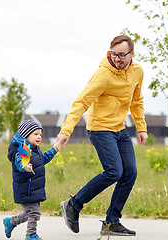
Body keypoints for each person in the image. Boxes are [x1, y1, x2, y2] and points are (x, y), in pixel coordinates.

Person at [57, 35, 148, 236]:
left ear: (132, 54)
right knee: (114, 171)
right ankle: (73, 204)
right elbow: (82, 101)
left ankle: (111, 222)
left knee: (130, 172)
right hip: (99, 128)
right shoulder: (103, 74)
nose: (116, 59)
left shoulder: (137, 71)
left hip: (119, 129)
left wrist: (141, 127)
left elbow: (137, 100)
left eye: (121, 55)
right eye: (113, 54)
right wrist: (66, 130)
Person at [3, 119, 59, 240]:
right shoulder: (22, 150)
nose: (39, 137)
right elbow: (19, 163)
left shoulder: (35, 149)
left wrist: (54, 149)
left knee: (29, 213)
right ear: (26, 135)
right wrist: (25, 167)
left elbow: (42, 160)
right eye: (35, 134)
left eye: (40, 134)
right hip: (25, 188)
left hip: (34, 188)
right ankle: (30, 235)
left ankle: (11, 222)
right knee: (34, 213)